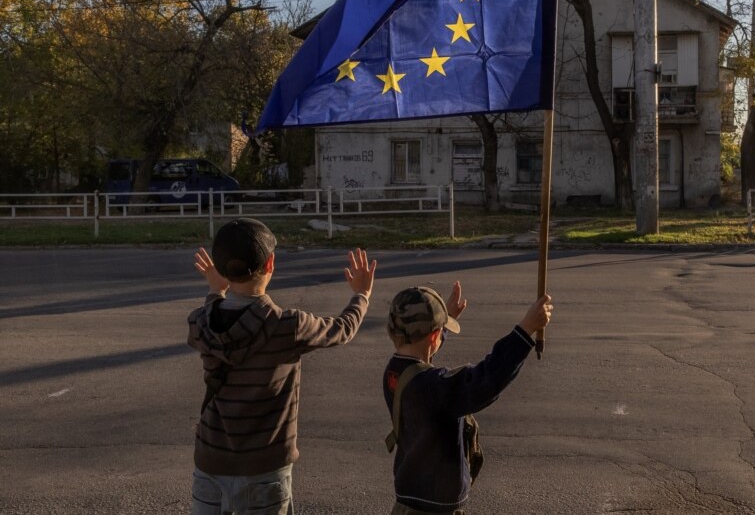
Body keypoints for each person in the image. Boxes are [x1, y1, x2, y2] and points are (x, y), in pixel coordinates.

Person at [187, 217, 376, 515]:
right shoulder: (289, 326)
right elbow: (343, 329)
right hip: (265, 469)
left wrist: (216, 289)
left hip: (210, 464)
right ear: (271, 263)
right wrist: (361, 295)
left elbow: (213, 305)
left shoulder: (200, 323)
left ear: (222, 270)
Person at [383, 281, 553, 515]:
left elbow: (420, 356)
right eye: (439, 333)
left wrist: (441, 323)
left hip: (408, 501)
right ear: (433, 337)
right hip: (434, 509)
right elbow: (486, 378)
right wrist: (524, 330)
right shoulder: (435, 387)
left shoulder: (395, 372)